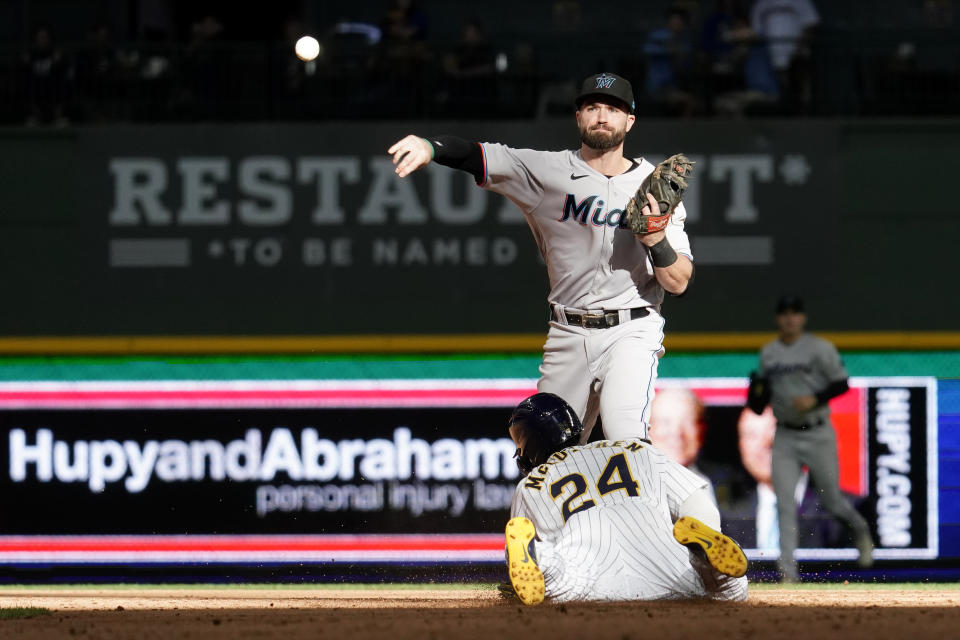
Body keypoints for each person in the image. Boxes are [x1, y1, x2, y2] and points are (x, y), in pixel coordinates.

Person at [389, 72, 694, 444]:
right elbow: (476, 154)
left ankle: (671, 503)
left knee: (626, 442)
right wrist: (430, 147)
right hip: (568, 329)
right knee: (547, 454)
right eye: (591, 107)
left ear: (629, 120)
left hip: (632, 328)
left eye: (612, 109)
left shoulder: (653, 185)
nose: (601, 116)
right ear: (578, 117)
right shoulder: (545, 171)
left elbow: (677, 282)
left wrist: (657, 240)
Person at [503, 392, 747, 605]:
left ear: (528, 450)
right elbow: (695, 501)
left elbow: (518, 569)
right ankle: (704, 557)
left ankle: (539, 559)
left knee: (559, 581)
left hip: (590, 575)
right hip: (664, 562)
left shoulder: (531, 484)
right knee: (730, 592)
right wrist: (705, 527)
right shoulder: (637, 449)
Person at [747, 295, 873, 582]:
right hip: (786, 435)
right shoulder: (770, 353)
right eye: (784, 314)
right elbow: (759, 399)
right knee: (785, 503)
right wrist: (755, 389)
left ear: (802, 318)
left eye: (794, 314)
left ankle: (861, 529)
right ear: (778, 319)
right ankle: (788, 573)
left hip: (817, 432)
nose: (789, 319)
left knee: (832, 501)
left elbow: (842, 383)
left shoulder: (819, 348)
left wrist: (815, 398)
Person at [648, 388, 717, 504]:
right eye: (665, 422)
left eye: (688, 422)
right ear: (648, 431)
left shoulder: (730, 485)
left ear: (701, 430)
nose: (676, 433)